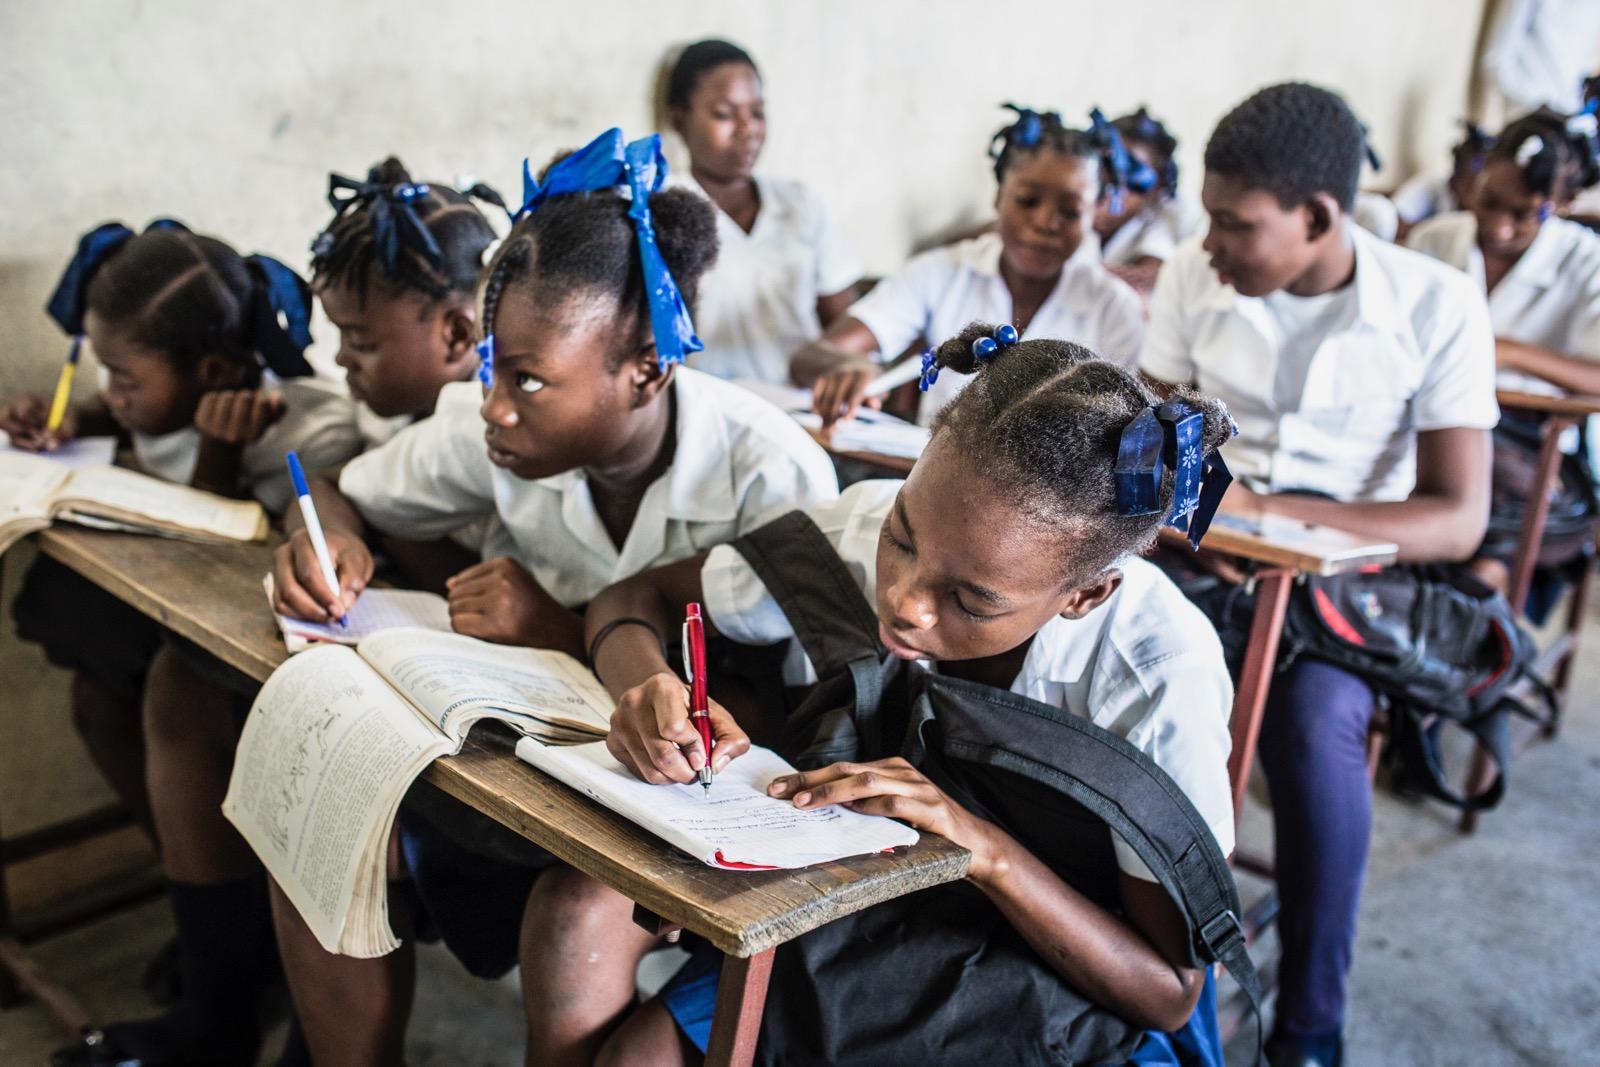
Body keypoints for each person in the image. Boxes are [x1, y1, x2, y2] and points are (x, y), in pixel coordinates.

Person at [263, 129, 839, 1066]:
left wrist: (561, 631)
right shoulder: (495, 430)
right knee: (321, 809)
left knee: (574, 915)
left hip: (695, 800)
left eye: (528, 380)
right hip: (523, 759)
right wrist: (320, 538)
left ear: (647, 368)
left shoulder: (774, 476)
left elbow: (823, 722)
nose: (493, 402)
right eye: (490, 366)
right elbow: (339, 487)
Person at [1139, 82, 1498, 1067]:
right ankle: (1110, 960)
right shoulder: (1190, 273)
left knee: (1312, 726)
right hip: (1203, 558)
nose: (1209, 244)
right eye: (1207, 218)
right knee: (1096, 668)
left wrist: (1273, 516)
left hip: (1339, 592)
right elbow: (1156, 434)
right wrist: (1214, 514)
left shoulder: (1434, 303)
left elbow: (1455, 512)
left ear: (1319, 217)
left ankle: (1307, 1022)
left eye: (1235, 225)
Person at [792, 105, 1143, 426]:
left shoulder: (1113, 309)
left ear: (1095, 213)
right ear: (998, 195)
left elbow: (1123, 429)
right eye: (1027, 200)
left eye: (1070, 211)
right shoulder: (941, 273)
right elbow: (811, 357)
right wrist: (849, 365)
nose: (1044, 223)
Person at [663, 38, 859, 384]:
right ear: (679, 120)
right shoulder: (664, 208)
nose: (748, 128)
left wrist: (847, 372)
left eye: (757, 112)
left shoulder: (799, 203)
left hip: (804, 407)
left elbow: (843, 320)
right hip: (712, 407)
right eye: (724, 113)